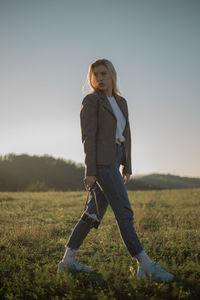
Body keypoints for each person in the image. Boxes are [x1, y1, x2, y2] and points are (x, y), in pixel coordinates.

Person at [57, 59, 174, 283]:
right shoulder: (91, 101)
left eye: (103, 73)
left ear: (112, 75)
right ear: (92, 79)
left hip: (116, 158)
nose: (99, 78)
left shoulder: (122, 102)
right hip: (101, 163)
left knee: (93, 213)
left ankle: (68, 260)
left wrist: (127, 166)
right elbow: (88, 137)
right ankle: (145, 265)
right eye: (95, 75)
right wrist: (90, 170)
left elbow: (126, 136)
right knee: (124, 212)